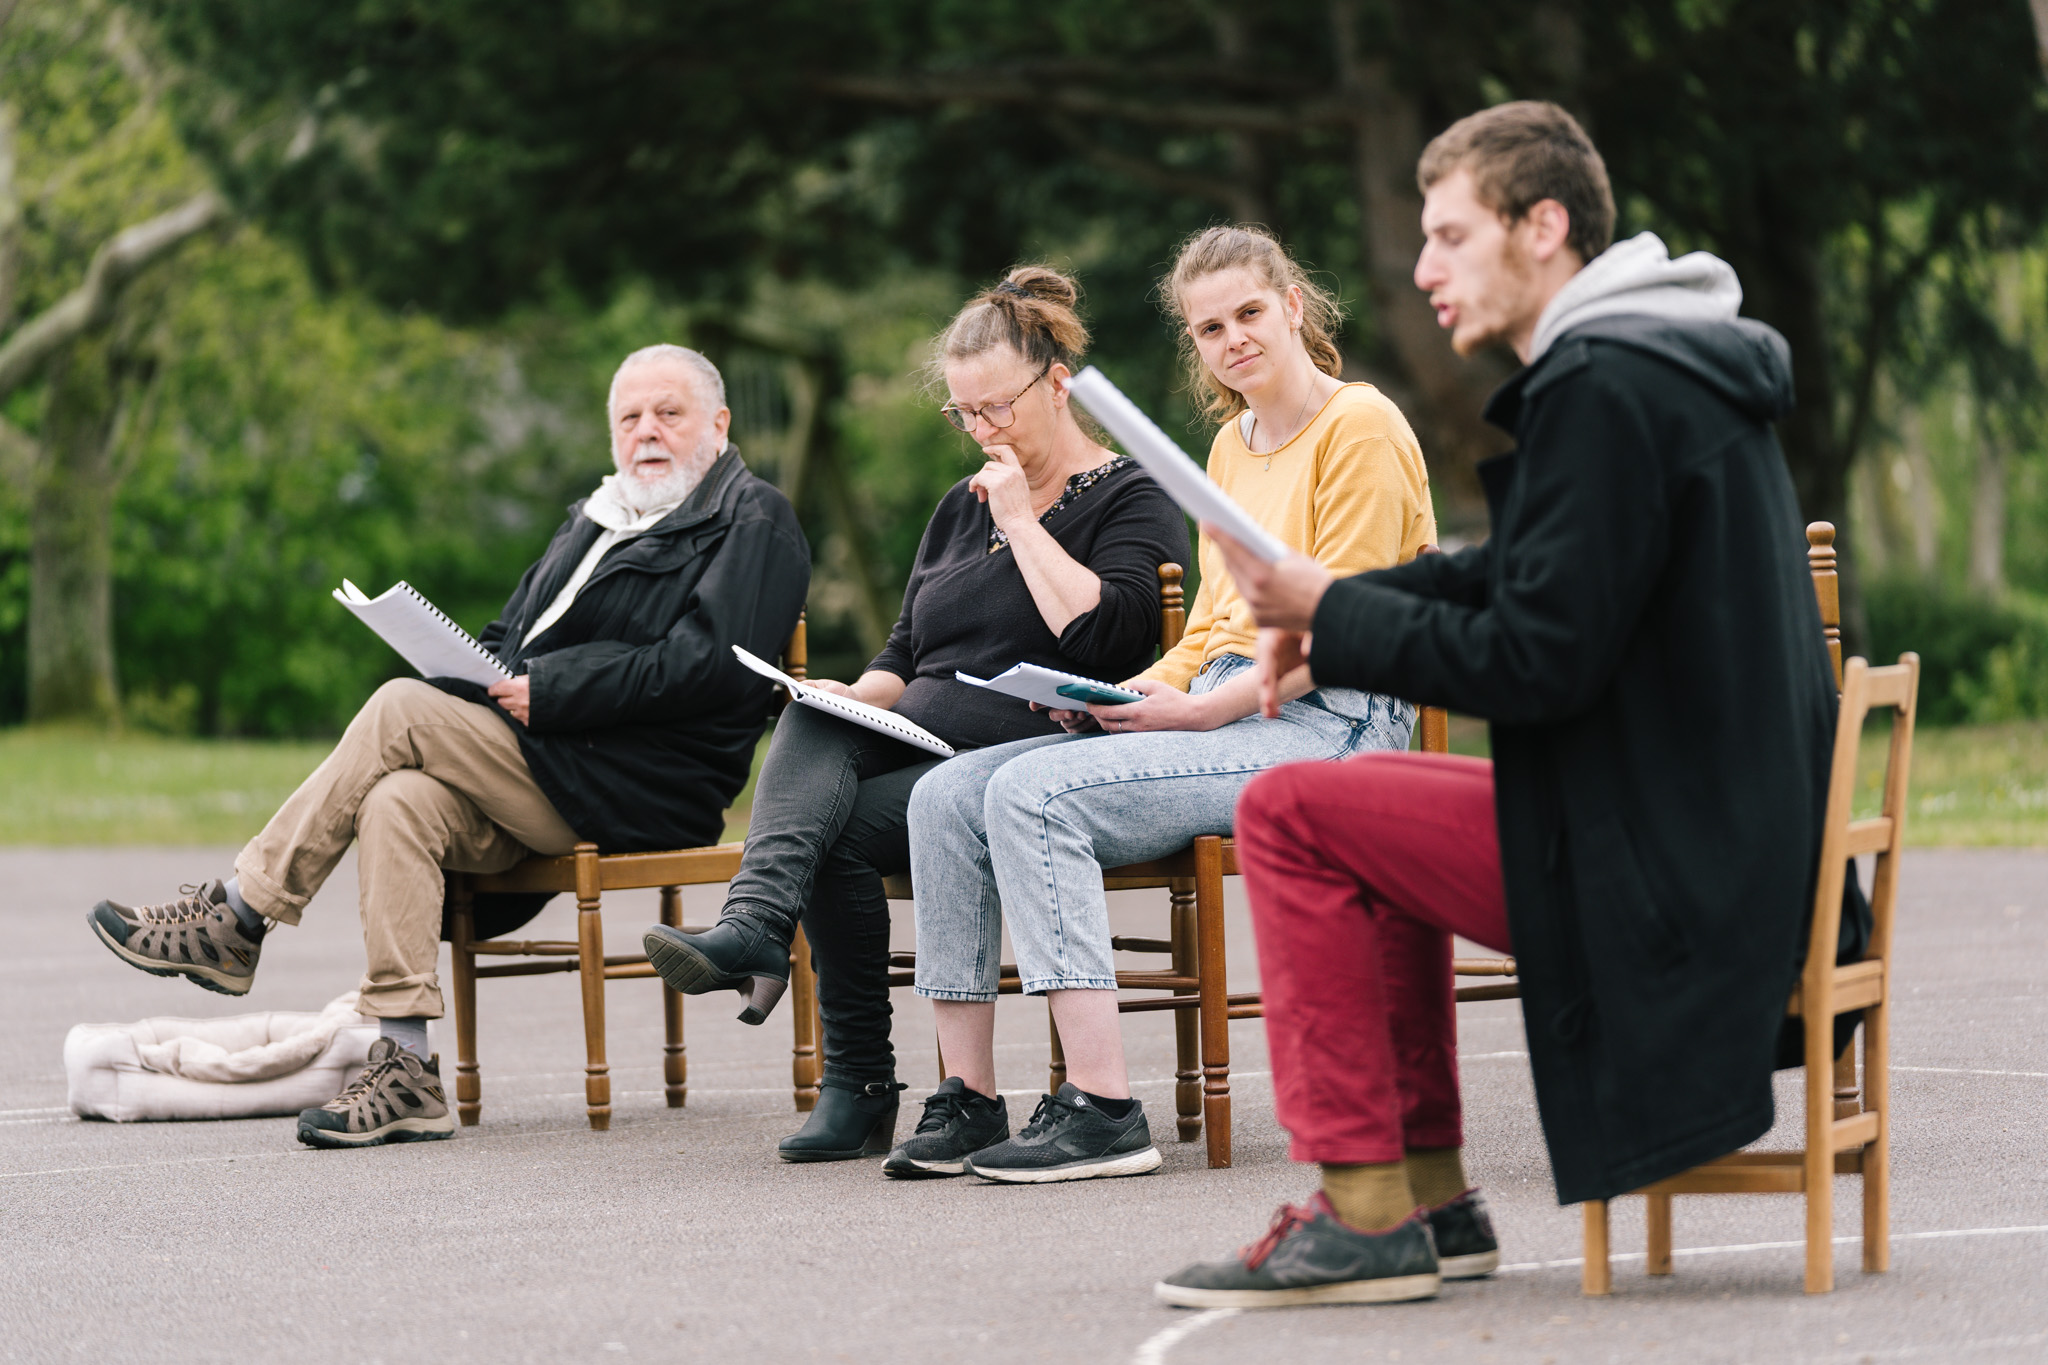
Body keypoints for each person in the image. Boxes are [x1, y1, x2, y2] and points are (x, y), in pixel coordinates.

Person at [1156, 102, 1846, 1309]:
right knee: (1345, 797)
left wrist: (1335, 606)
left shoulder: (1607, 383)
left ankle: (1367, 1212)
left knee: (1288, 812)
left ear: (1542, 226)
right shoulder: (1652, 360)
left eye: (1449, 235)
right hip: (1709, 828)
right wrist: (1335, 599)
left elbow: (1537, 658)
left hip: (1674, 868)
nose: (1420, 269)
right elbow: (1526, 570)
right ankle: (1427, 1198)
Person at [86, 344, 810, 1150]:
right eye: (629, 417)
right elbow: (507, 643)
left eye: (667, 413)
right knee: (399, 800)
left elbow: (715, 665)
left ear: (718, 423)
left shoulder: (755, 517)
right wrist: (458, 666)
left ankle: (241, 911)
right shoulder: (594, 518)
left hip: (643, 783)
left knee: (400, 708)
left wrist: (553, 688)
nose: (646, 432)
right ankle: (408, 1070)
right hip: (549, 767)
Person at [889, 225, 1437, 1185]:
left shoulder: (1362, 424)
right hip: (1235, 704)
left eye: (1249, 314)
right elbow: (1211, 631)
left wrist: (1201, 714)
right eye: (1209, 326)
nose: (1232, 339)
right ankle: (967, 1099)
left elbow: (1342, 626)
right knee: (944, 796)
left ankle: (1103, 1109)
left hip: (1334, 718)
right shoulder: (1230, 446)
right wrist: (1127, 694)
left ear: (1294, 307)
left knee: (1035, 795)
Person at [642, 268, 1189, 1164]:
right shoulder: (956, 508)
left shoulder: (1130, 496)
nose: (981, 432)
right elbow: (906, 652)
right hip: (927, 746)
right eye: (964, 415)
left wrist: (1023, 520)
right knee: (820, 774)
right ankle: (843, 1059)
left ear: (1057, 383)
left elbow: (1110, 637)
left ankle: (784, 974)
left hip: (1033, 754)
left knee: (815, 811)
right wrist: (852, 699)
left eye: (996, 409)